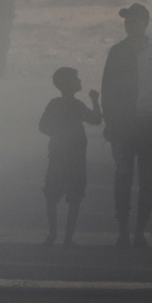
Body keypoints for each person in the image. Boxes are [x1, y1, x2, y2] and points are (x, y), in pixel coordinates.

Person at [100, 3, 152, 249]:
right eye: (127, 22)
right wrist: (110, 121)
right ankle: (123, 230)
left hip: (151, 122)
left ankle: (140, 230)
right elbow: (107, 89)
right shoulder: (117, 51)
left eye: (135, 21)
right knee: (123, 176)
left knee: (147, 179)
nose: (130, 25)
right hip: (124, 123)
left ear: (145, 23)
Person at [39, 66, 103, 246]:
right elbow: (96, 120)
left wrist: (57, 135)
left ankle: (52, 234)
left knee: (52, 195)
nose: (80, 82)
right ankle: (68, 237)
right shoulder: (76, 105)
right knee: (74, 197)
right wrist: (95, 100)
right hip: (75, 157)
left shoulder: (54, 104)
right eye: (77, 79)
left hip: (58, 155)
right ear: (69, 84)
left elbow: (42, 126)